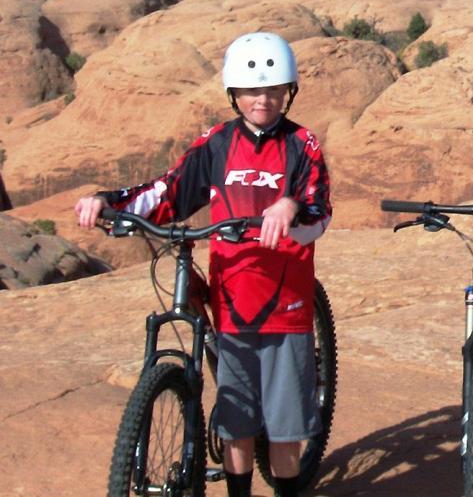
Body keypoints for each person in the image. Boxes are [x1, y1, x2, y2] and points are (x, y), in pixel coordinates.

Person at [75, 32, 332, 497]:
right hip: (231, 301)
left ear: (288, 92)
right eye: (254, 90)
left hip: (285, 306)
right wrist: (108, 203)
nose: (264, 99)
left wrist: (290, 209)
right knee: (234, 424)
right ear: (235, 93)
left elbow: (319, 209)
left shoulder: (302, 144)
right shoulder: (217, 144)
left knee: (284, 428)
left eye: (274, 90)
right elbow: (168, 191)